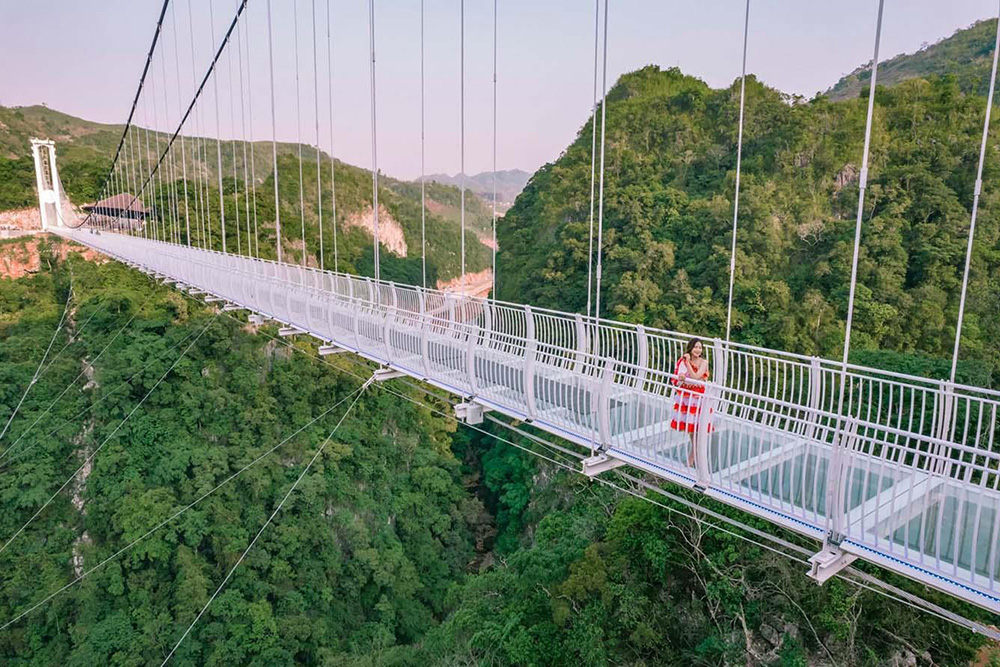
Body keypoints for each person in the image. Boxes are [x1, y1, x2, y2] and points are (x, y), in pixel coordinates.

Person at [670, 338, 712, 467]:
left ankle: (692, 458)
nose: (698, 350)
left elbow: (696, 376)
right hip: (687, 397)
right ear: (690, 348)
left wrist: (688, 362)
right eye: (695, 347)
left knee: (698, 429)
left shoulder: (703, 362)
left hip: (698, 398)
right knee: (691, 430)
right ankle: (694, 456)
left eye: (700, 347)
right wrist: (682, 374)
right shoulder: (683, 361)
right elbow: (679, 376)